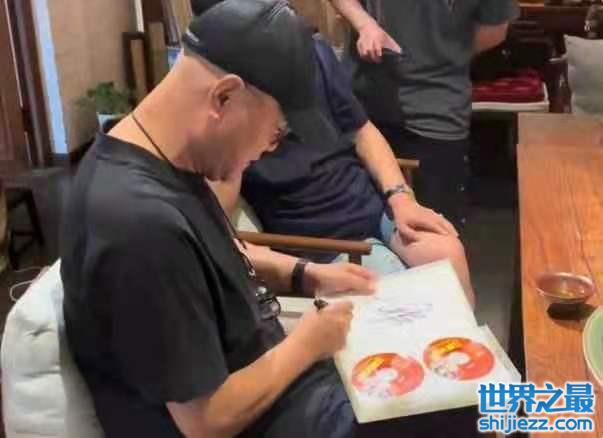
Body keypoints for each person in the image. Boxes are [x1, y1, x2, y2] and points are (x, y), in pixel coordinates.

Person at [60, 1, 382, 437]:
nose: (269, 149)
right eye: (276, 131)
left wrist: (307, 274)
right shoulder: (139, 224)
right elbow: (206, 420)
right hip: (268, 421)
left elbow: (211, 256)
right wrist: (308, 344)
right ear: (224, 97)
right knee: (457, 410)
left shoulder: (164, 162)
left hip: (289, 393)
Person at [232, 34, 475, 305]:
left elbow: (362, 129)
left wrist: (401, 198)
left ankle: (464, 333)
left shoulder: (312, 50)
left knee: (448, 252)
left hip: (373, 205)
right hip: (324, 242)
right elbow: (226, 239)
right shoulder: (230, 124)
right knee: (396, 286)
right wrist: (305, 271)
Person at [328, 0, 519, 228]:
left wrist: (445, 52)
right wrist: (364, 23)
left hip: (436, 112)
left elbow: (495, 29)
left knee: (432, 229)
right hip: (360, 103)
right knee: (353, 226)